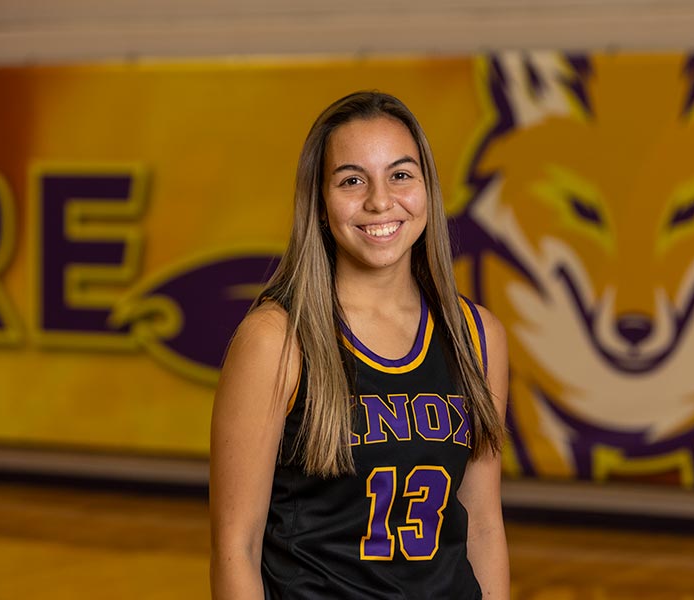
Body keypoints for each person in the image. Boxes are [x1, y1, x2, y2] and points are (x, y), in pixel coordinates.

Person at [209, 91, 510, 599]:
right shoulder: (276, 340)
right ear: (321, 203)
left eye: (400, 174)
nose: (379, 200)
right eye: (352, 180)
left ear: (428, 191)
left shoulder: (477, 336)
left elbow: (482, 525)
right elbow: (235, 546)